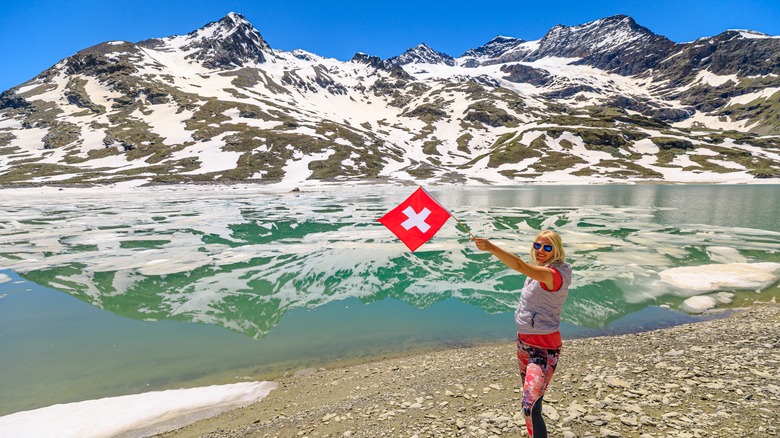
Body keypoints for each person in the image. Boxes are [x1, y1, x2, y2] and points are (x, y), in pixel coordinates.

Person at [473, 230, 572, 438]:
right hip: (523, 344)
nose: (540, 251)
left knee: (529, 404)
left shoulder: (552, 275)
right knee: (534, 402)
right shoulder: (541, 270)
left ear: (557, 250)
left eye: (547, 247)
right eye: (537, 245)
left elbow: (519, 265)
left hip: (543, 349)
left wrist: (491, 248)